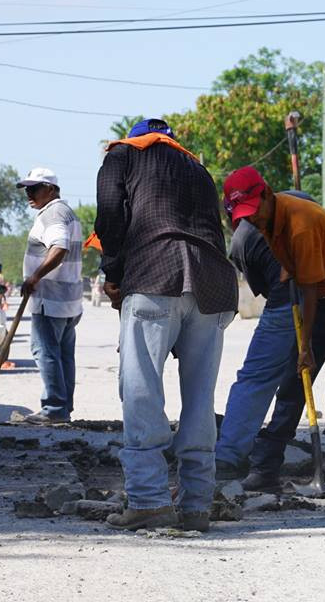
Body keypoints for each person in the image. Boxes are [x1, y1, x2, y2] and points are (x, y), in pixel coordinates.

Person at [95, 118, 237, 532]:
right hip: (212, 284)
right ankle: (196, 505)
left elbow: (109, 216)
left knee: (141, 391)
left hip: (155, 276)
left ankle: (149, 500)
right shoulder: (197, 168)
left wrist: (114, 274)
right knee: (198, 398)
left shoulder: (123, 154)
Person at [215, 190, 325, 482]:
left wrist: (305, 346)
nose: (251, 219)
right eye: (244, 215)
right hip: (304, 299)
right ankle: (264, 467)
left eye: (253, 211)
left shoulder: (298, 220)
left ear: (266, 197)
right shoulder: (260, 227)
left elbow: (310, 289)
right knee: (295, 382)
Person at [18, 167, 84, 425]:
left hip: (51, 299)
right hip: (68, 300)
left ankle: (54, 407)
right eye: (27, 189)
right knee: (62, 355)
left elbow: (59, 248)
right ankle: (63, 406)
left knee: (44, 351)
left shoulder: (53, 213)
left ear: (51, 189)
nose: (29, 194)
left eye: (34, 188)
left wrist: (34, 277)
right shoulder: (67, 212)